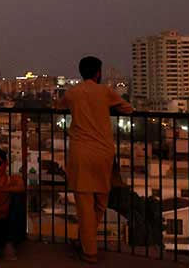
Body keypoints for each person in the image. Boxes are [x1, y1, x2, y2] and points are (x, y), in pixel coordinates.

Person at [58, 56, 133, 264]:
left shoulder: (72, 93)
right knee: (100, 202)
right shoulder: (105, 92)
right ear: (98, 73)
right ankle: (87, 244)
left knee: (84, 205)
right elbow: (127, 108)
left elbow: (58, 106)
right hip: (103, 153)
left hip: (81, 154)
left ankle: (88, 249)